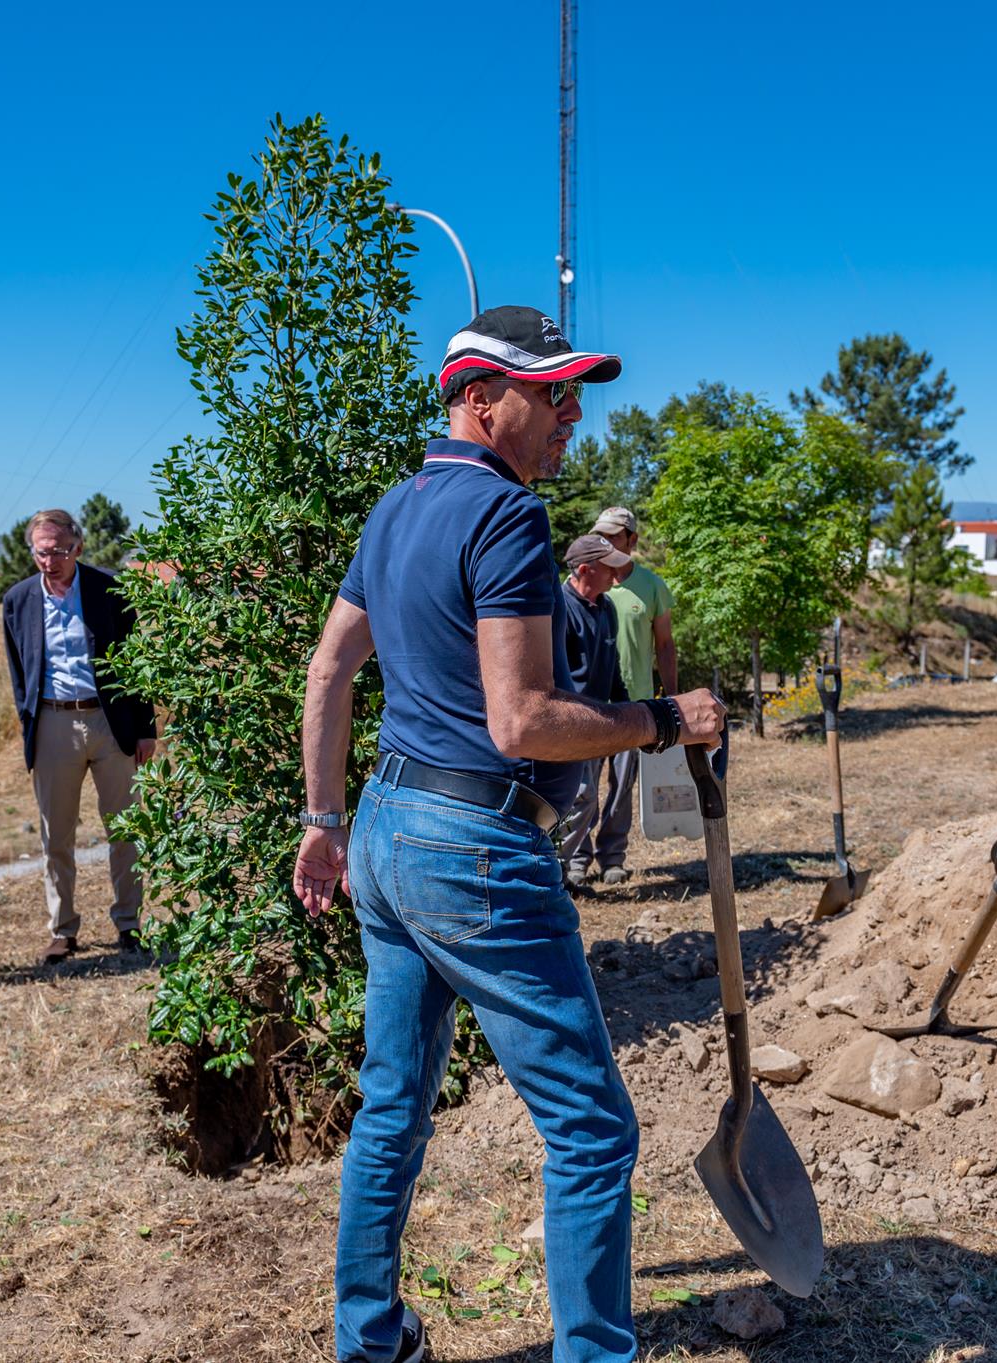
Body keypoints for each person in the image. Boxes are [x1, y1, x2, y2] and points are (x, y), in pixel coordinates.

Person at [292, 305, 724, 1363]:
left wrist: (323, 821)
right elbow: (519, 720)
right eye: (552, 393)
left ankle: (369, 1341)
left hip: (388, 832)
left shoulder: (394, 510)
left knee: (391, 1105)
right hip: (472, 846)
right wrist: (668, 718)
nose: (572, 413)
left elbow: (327, 670)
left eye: (575, 392)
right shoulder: (504, 516)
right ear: (481, 401)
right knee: (590, 1128)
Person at [0, 508, 158, 962]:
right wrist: (29, 727)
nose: (50, 560)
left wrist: (145, 729)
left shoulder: (109, 589)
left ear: (78, 547)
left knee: (126, 828)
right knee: (57, 835)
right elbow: (19, 672)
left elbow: (136, 662)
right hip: (52, 723)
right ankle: (62, 928)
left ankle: (129, 924)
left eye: (59, 551)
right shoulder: (18, 599)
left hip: (110, 723)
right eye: (41, 552)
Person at [581, 505, 677, 884]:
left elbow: (666, 646)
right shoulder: (584, 583)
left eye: (614, 536)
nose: (605, 542)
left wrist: (671, 701)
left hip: (634, 706)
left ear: (632, 540)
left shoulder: (652, 586)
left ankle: (612, 858)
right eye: (599, 536)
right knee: (582, 788)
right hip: (588, 706)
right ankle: (576, 858)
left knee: (622, 788)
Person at [556, 533, 633, 888]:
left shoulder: (607, 608)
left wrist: (628, 707)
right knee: (581, 797)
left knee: (599, 793)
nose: (616, 575)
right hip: (574, 722)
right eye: (608, 568)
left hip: (607, 717)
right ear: (585, 570)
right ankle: (557, 870)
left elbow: (611, 662)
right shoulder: (560, 607)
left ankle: (565, 870)